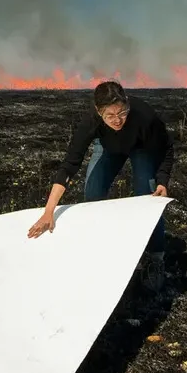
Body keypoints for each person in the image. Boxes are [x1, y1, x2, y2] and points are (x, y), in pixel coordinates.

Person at [27, 80, 174, 290]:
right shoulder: (91, 121)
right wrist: (48, 211)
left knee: (148, 197)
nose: (117, 120)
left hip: (141, 147)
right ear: (98, 111)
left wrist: (162, 180)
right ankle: (100, 246)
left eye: (122, 113)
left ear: (127, 104)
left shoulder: (145, 116)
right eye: (110, 115)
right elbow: (69, 165)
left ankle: (155, 257)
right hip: (109, 148)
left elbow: (166, 148)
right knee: (93, 191)